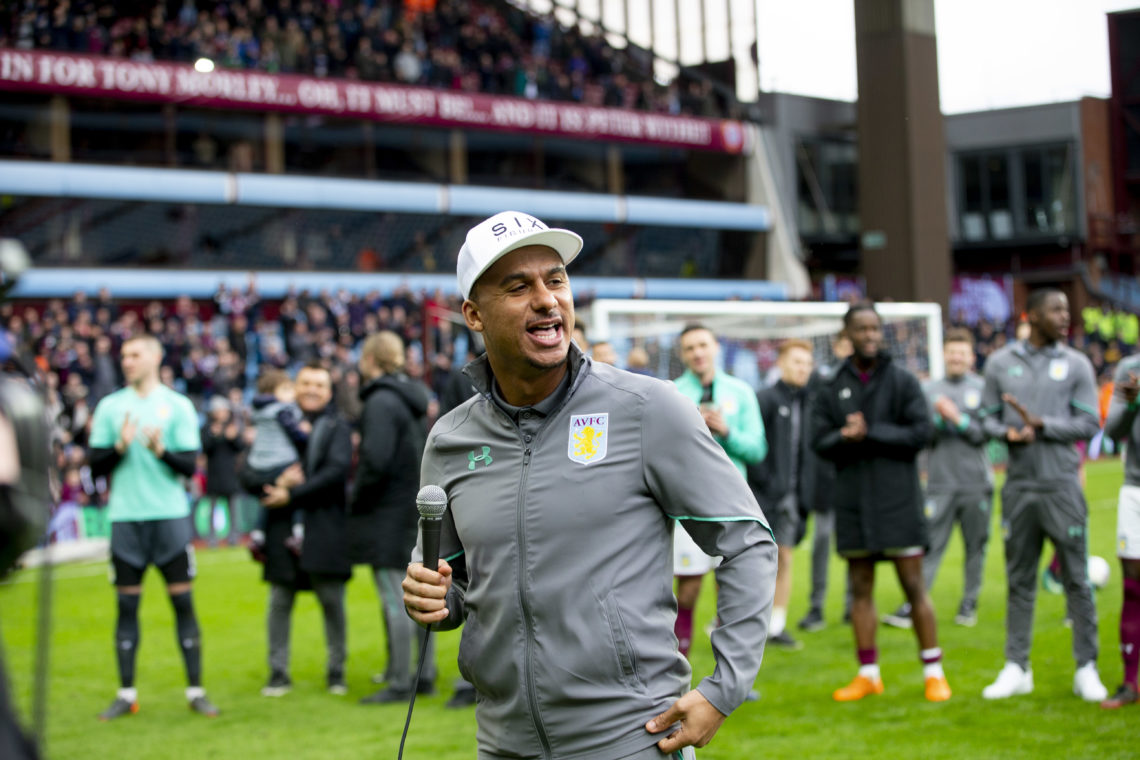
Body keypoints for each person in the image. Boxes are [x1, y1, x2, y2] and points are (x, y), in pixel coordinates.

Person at [402, 210, 777, 759]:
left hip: (631, 739)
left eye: (555, 280)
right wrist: (429, 598)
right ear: (474, 315)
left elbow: (747, 541)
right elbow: (452, 587)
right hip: (502, 744)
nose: (547, 299)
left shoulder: (650, 409)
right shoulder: (450, 439)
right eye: (518, 286)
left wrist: (724, 688)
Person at [812, 303, 950, 703]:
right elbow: (818, 442)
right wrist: (843, 436)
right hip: (854, 501)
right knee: (860, 588)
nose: (870, 335)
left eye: (875, 328)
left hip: (898, 500)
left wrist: (871, 433)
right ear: (847, 335)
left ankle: (933, 672)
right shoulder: (831, 383)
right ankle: (868, 673)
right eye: (862, 329)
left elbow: (921, 433)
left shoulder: (903, 380)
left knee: (913, 586)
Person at [978, 288, 1107, 702]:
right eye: (1056, 309)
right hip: (1019, 488)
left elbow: (1089, 422)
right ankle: (1018, 667)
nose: (1065, 315)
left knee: (1077, 579)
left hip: (1062, 486)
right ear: (1031, 315)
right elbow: (984, 420)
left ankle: (1086, 667)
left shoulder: (1076, 363)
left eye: (1066, 309)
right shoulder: (1000, 363)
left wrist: (1043, 424)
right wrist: (1009, 433)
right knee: (1019, 580)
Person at [87, 333, 219, 720]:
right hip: (125, 520)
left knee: (183, 604)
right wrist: (120, 448)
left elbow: (190, 466)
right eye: (123, 354)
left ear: (154, 358)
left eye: (134, 354)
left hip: (169, 519)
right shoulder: (110, 407)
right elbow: (95, 467)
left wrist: (162, 452)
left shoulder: (177, 406)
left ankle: (196, 691)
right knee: (126, 607)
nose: (126, 360)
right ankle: (126, 694)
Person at [882, 328, 993, 629]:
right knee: (928, 546)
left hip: (976, 484)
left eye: (962, 353)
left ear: (971, 357)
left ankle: (969, 604)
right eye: (952, 352)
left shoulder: (984, 389)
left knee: (975, 547)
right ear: (943, 355)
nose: (956, 358)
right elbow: (921, 437)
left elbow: (987, 435)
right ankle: (914, 605)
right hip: (939, 484)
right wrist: (938, 421)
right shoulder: (928, 390)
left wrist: (959, 419)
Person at [351, 331, 437, 704]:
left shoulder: (380, 401)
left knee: (395, 596)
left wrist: (357, 498)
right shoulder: (413, 397)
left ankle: (402, 681)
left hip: (388, 510)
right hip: (413, 506)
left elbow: (375, 460)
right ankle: (424, 674)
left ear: (369, 359)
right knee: (416, 592)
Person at [671, 323, 766, 658]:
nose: (697, 353)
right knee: (688, 590)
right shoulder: (672, 392)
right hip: (687, 505)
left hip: (733, 505)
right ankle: (677, 674)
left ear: (715, 348)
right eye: (689, 348)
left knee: (732, 593)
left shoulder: (741, 392)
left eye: (702, 345)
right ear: (682, 355)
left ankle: (731, 679)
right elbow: (663, 450)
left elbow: (757, 449)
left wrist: (726, 431)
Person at [258, 363, 353, 697]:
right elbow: (249, 468)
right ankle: (278, 673)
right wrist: (274, 485)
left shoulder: (337, 426)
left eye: (319, 385)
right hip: (282, 529)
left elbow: (336, 472)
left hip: (325, 529)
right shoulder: (275, 422)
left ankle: (337, 672)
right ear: (294, 387)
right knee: (279, 601)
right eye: (306, 383)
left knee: (332, 603)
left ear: (329, 392)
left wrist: (291, 493)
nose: (312, 390)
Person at [749, 339, 816, 650]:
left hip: (793, 498)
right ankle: (738, 624)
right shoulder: (763, 398)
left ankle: (776, 627)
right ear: (781, 364)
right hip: (762, 496)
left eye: (807, 363)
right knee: (753, 564)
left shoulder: (810, 401)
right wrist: (765, 482)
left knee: (785, 559)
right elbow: (755, 447)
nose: (802, 369)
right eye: (796, 362)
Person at [797, 332, 851, 632]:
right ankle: (816, 606)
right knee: (821, 541)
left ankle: (851, 606)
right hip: (825, 476)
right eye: (844, 343)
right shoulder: (822, 378)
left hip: (853, 474)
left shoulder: (864, 381)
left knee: (854, 545)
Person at [1102, 352, 1140, 708]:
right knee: (1132, 586)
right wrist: (1132, 404)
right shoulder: (1130, 368)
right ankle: (1130, 683)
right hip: (1135, 490)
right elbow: (1112, 433)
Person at [242, 369, 308, 555]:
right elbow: (297, 436)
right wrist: (307, 436)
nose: (292, 393)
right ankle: (298, 532)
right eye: (286, 388)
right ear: (273, 393)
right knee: (296, 491)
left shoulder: (257, 412)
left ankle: (257, 533)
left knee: (268, 497)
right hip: (282, 461)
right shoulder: (283, 410)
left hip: (259, 463)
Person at [200, 396, 245, 546]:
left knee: (233, 508)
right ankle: (212, 538)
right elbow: (205, 448)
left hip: (230, 474)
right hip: (214, 473)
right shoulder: (207, 428)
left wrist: (233, 437)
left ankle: (234, 537)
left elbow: (240, 447)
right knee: (212, 507)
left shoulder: (231, 427)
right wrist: (214, 435)